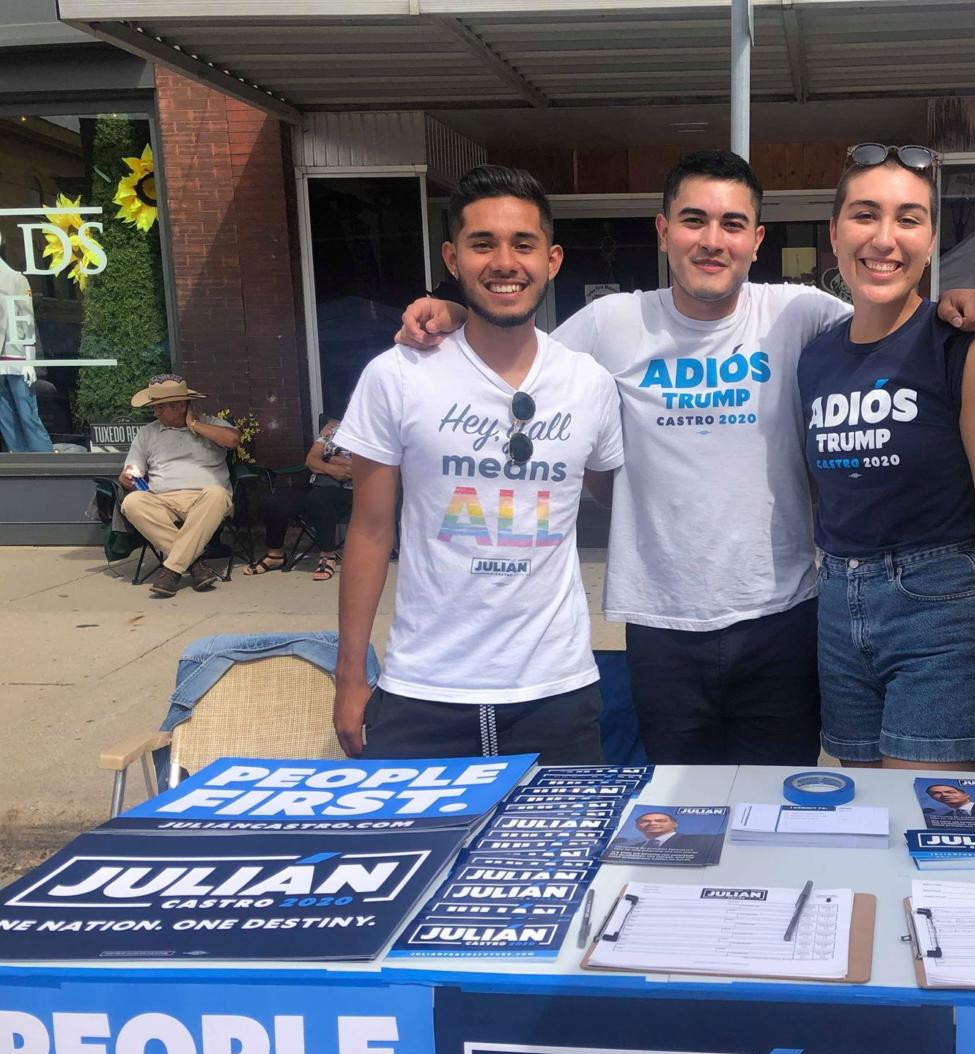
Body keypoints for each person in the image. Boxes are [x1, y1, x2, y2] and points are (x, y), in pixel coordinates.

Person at [396, 150, 975, 769]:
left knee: (776, 813)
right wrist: (459, 312)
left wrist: (955, 302)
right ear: (662, 231)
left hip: (781, 618)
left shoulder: (799, 314)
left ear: (757, 239)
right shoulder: (611, 323)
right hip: (661, 627)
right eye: (692, 221)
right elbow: (520, 359)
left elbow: (893, 316)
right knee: (681, 821)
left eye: (733, 224)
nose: (713, 241)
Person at [333, 165, 624, 763]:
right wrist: (350, 678)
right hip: (423, 690)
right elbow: (369, 529)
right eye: (482, 243)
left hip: (556, 691)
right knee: (421, 857)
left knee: (556, 858)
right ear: (452, 257)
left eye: (524, 243)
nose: (504, 261)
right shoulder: (397, 375)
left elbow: (615, 495)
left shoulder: (588, 383)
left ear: (553, 259)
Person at [799, 144, 975, 783]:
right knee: (865, 815)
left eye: (909, 219)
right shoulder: (815, 358)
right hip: (837, 606)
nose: (885, 239)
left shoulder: (966, 351)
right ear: (835, 234)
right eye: (865, 216)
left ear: (931, 238)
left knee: (930, 817)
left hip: (940, 611)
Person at [118, 375, 242, 598]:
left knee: (217, 494)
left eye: (160, 407)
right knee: (132, 502)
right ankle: (193, 564)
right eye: (155, 407)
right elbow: (132, 468)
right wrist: (126, 477)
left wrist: (194, 425)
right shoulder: (148, 433)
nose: (155, 413)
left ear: (181, 406)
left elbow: (233, 440)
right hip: (162, 499)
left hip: (204, 499)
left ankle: (172, 570)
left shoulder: (210, 423)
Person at [243, 418, 353, 581]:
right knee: (274, 500)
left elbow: (357, 467)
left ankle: (328, 555)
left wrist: (327, 459)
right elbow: (311, 460)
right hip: (317, 485)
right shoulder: (333, 430)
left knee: (319, 498)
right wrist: (331, 465)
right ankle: (275, 556)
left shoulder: (372, 433)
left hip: (349, 491)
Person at [0, 256, 53, 453]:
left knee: (27, 416)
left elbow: (27, 320)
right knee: (5, 419)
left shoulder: (16, 279)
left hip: (16, 357)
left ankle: (47, 463)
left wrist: (30, 361)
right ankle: (20, 462)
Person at [617, 810, 719, 855]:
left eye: (660, 821)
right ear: (637, 826)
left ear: (674, 824)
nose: (652, 823)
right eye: (645, 821)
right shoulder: (632, 848)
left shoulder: (705, 841)